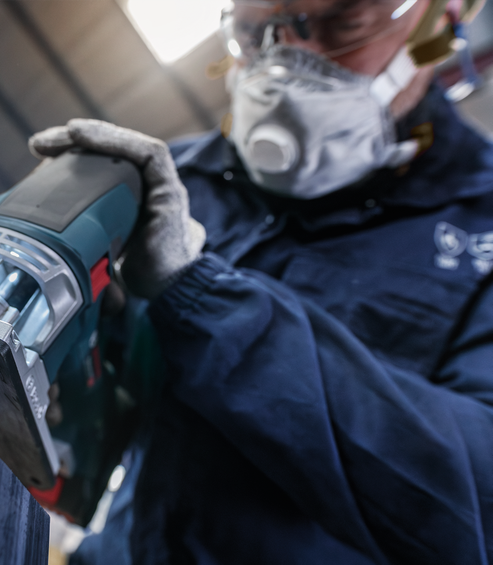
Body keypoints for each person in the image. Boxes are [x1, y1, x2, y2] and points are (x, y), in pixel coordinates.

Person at [29, 0, 493, 563]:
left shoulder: (480, 230)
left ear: (444, 16)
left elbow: (474, 499)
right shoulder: (180, 180)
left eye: (343, 24)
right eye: (255, 34)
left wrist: (200, 296)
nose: (288, 62)